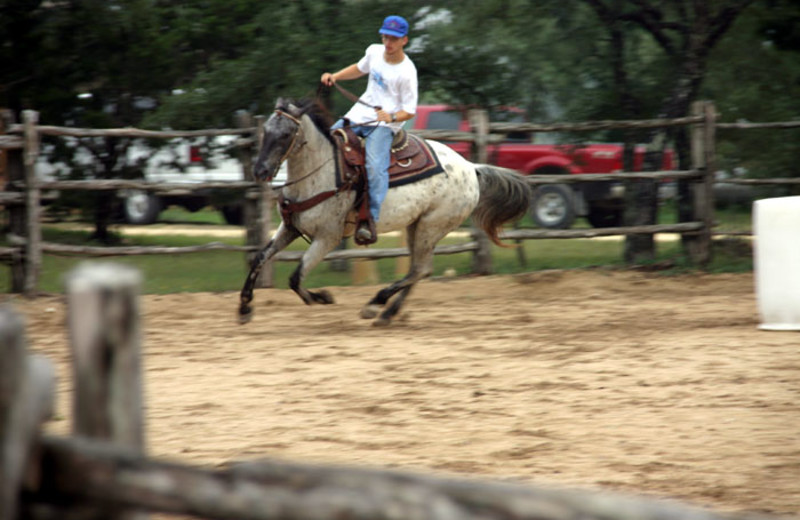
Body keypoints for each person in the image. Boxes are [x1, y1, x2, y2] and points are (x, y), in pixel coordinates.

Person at [321, 15, 418, 244]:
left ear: (404, 40)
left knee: (375, 167)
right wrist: (335, 76)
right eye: (385, 36)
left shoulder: (407, 71)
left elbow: (410, 110)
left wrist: (392, 116)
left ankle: (369, 219)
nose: (388, 43)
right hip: (358, 115)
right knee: (327, 143)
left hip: (384, 125)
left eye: (393, 39)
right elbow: (359, 68)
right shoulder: (374, 51)